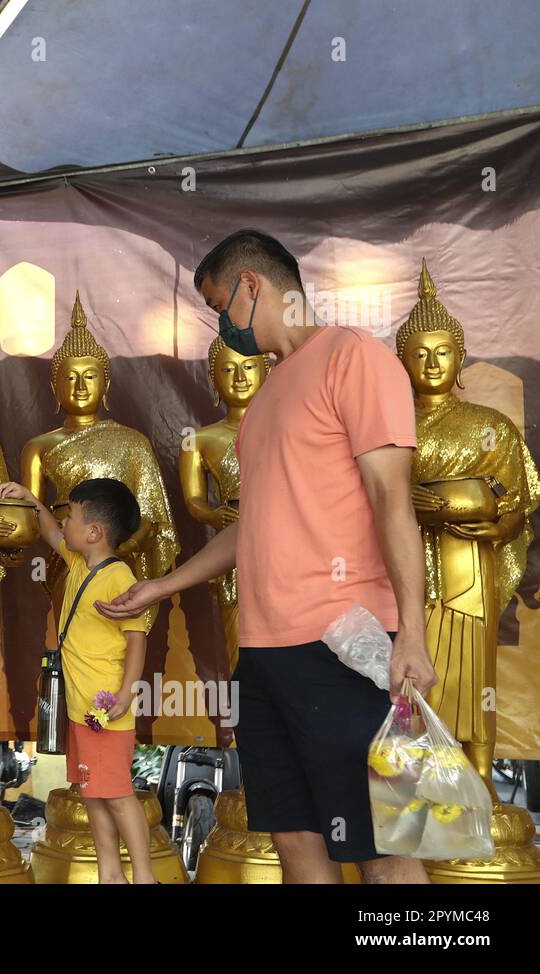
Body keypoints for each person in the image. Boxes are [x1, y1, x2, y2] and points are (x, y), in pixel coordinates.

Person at [100, 228, 438, 884]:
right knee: (296, 844)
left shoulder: (354, 357)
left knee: (383, 847)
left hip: (346, 645)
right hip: (264, 654)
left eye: (221, 305)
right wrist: (164, 586)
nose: (222, 324)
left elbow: (393, 500)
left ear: (252, 286)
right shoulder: (264, 405)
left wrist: (413, 637)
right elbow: (252, 525)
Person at [0, 477, 154, 884]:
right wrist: (31, 500)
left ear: (95, 532)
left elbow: (137, 640)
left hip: (106, 710)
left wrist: (126, 692)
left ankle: (143, 877)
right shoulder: (77, 561)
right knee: (93, 795)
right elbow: (51, 532)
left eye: (72, 517)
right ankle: (110, 875)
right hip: (81, 709)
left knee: (118, 795)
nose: (64, 524)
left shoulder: (120, 577)